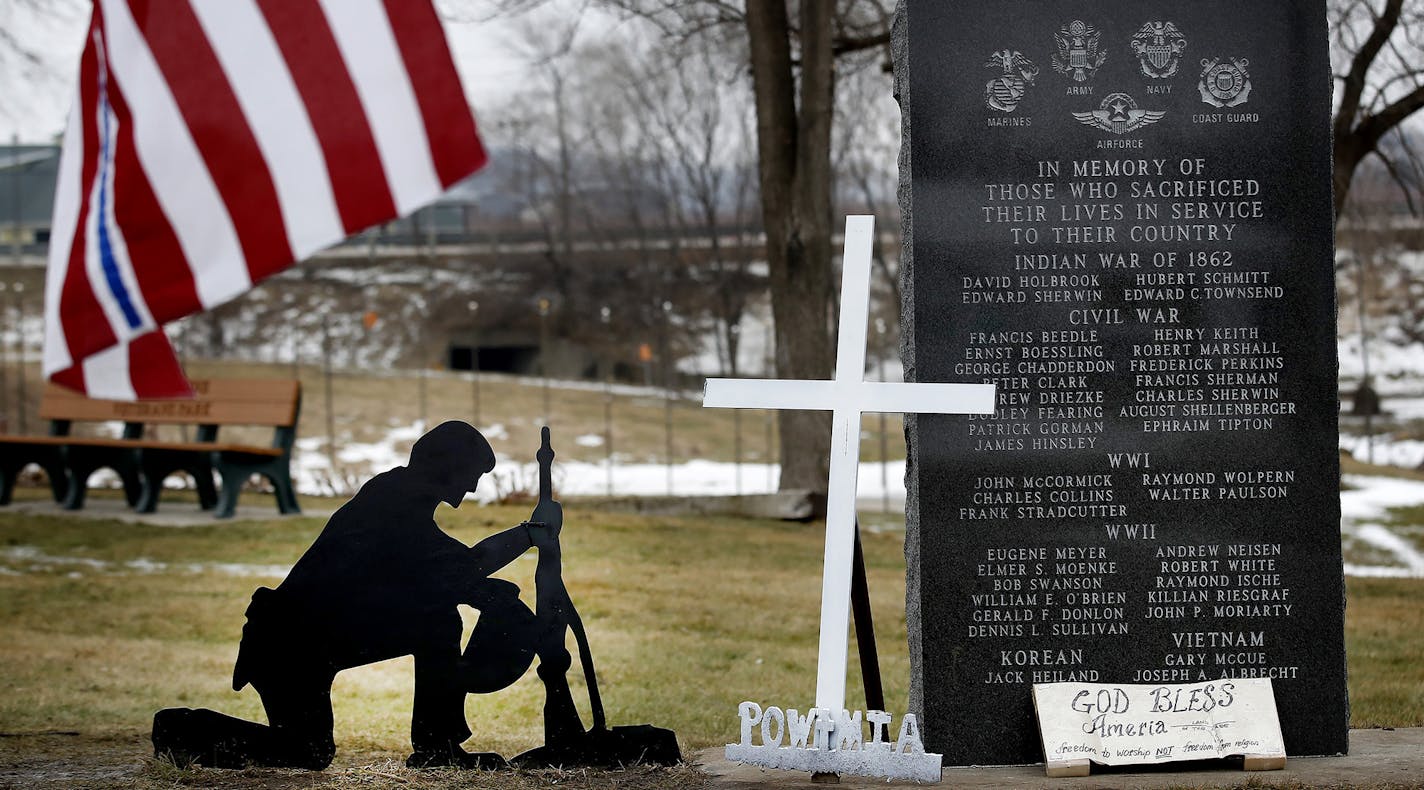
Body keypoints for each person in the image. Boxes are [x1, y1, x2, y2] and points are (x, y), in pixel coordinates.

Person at [153, 421, 582, 770]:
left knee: (436, 620)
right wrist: (528, 535)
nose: (471, 488)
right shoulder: (394, 501)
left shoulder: (399, 496)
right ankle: (182, 730)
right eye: (471, 474)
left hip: (318, 639)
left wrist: (508, 565)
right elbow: (455, 568)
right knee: (306, 752)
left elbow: (437, 574)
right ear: (447, 466)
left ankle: (438, 748)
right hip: (290, 644)